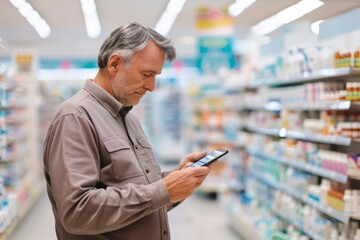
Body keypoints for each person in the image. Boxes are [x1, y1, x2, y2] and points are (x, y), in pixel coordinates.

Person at [42, 22, 211, 240]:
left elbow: (136, 195)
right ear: (114, 64)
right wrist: (163, 190)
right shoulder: (75, 117)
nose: (152, 86)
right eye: (146, 74)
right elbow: (77, 211)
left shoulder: (128, 117)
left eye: (155, 76)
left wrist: (176, 181)